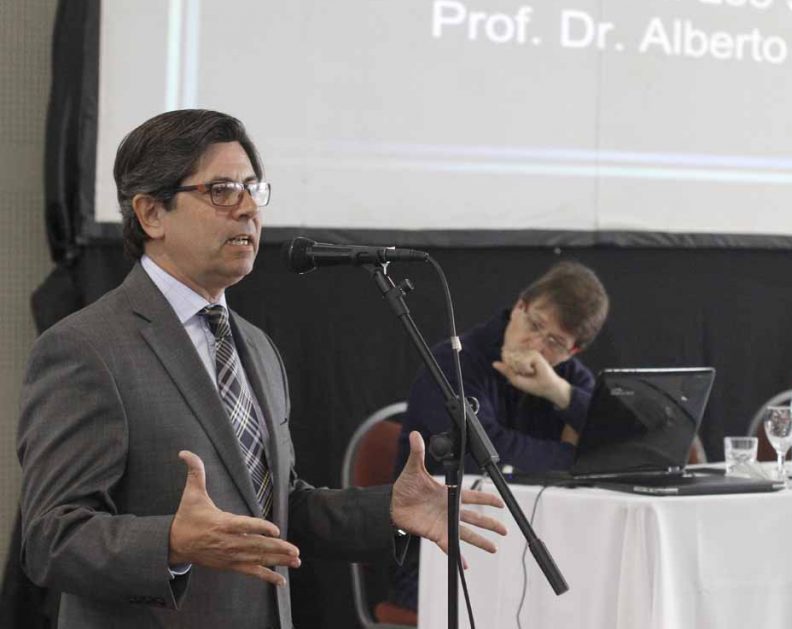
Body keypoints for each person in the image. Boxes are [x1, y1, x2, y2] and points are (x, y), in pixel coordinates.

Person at [16, 109, 506, 629]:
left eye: (253, 189)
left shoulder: (255, 346)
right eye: (222, 191)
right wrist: (171, 542)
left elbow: (280, 508)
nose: (249, 209)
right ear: (151, 213)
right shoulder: (86, 347)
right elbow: (50, 537)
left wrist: (387, 509)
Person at [390, 260, 609, 611]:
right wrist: (572, 456)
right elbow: (483, 454)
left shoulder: (567, 377)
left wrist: (560, 394)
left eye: (555, 342)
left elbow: (614, 448)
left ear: (572, 351)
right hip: (443, 552)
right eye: (535, 324)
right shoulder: (451, 361)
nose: (536, 345)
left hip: (541, 553)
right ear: (520, 306)